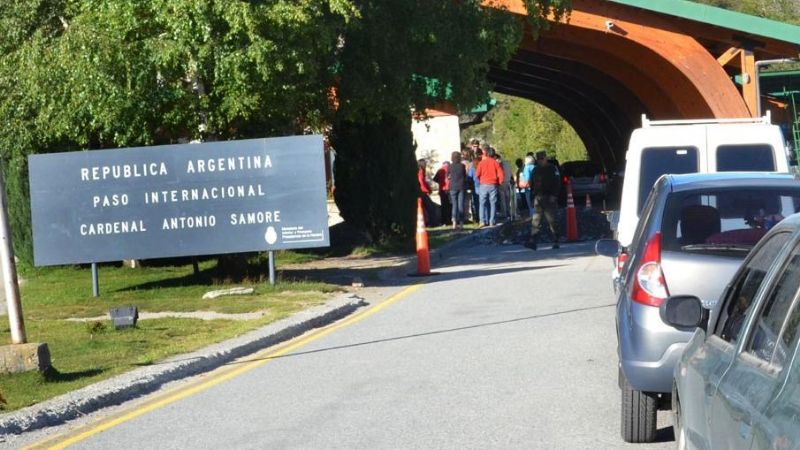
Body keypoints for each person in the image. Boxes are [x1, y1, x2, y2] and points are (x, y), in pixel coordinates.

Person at [525, 151, 560, 250]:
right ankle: (532, 241)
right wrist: (533, 197)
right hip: (538, 198)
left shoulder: (552, 168)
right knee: (536, 220)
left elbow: (557, 183)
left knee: (552, 220)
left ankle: (556, 240)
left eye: (542, 159)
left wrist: (554, 195)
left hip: (549, 197)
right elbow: (532, 184)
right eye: (538, 159)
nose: (540, 161)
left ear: (545, 158)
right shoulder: (535, 170)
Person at [475, 146, 504, 226]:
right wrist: (500, 182)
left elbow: (477, 174)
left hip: (483, 184)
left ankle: (482, 221)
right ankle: (492, 221)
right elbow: (501, 174)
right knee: (493, 203)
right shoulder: (496, 163)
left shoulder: (481, 163)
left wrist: (480, 181)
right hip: (493, 185)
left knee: (482, 203)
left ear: (486, 154)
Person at [447, 151, 467, 229]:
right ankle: (461, 223)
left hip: (453, 187)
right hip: (461, 187)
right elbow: (465, 175)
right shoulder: (462, 166)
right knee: (460, 204)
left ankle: (454, 223)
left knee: (454, 205)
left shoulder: (450, 166)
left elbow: (448, 176)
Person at [417, 159, 440, 227]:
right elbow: (421, 182)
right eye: (425, 164)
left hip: (422, 191)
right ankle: (433, 223)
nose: (426, 165)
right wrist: (426, 190)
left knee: (426, 208)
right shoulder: (420, 171)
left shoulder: (420, 171)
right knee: (430, 207)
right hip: (422, 192)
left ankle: (429, 222)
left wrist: (429, 189)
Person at [433, 161, 452, 226]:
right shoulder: (450, 168)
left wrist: (440, 182)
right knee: (450, 205)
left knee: (443, 206)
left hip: (442, 190)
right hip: (449, 189)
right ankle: (449, 220)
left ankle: (443, 221)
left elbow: (435, 179)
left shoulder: (440, 170)